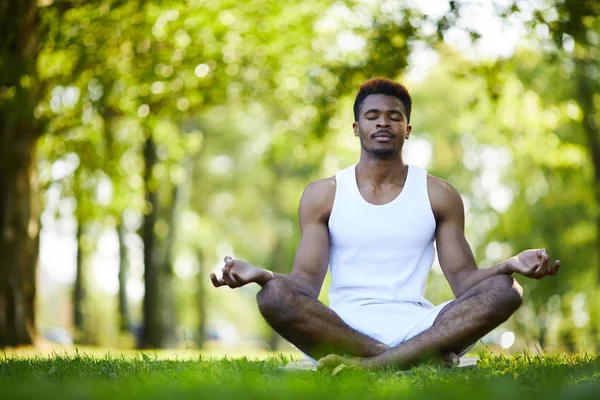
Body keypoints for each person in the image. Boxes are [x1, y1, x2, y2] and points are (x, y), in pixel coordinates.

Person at [210, 78, 560, 370]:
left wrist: (511, 264)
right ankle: (401, 361)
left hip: (420, 327)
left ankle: (374, 364)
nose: (383, 123)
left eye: (394, 117)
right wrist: (261, 275)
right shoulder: (324, 194)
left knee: (506, 290)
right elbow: (303, 284)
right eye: (372, 116)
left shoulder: (439, 194)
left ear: (407, 130)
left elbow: (465, 282)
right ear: (356, 127)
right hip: (342, 328)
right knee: (273, 295)